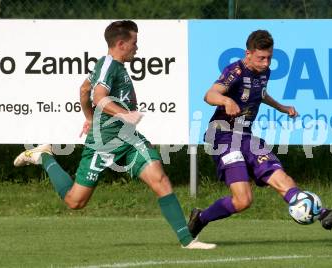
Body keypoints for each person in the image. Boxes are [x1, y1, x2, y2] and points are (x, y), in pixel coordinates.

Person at [14, 20, 215, 250]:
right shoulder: (109, 65)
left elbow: (84, 90)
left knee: (160, 179)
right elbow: (98, 96)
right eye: (134, 43)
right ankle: (44, 156)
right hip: (104, 143)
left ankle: (187, 241)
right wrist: (123, 114)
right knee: (75, 202)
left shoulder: (111, 66)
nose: (137, 48)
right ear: (121, 43)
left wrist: (90, 118)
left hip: (128, 140)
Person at [188, 30, 332, 238]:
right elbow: (210, 94)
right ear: (248, 54)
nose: (266, 63)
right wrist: (225, 100)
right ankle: (201, 217)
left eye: (269, 57)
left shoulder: (263, 72)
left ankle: (324, 214)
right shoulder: (235, 71)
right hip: (223, 137)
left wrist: (280, 107)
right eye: (261, 58)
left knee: (281, 177)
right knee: (243, 200)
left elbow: (260, 94)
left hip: (246, 137)